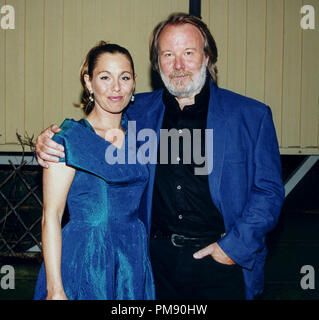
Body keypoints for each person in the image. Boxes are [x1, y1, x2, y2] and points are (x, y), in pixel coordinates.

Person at [35, 13, 285, 300]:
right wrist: (47, 142)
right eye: (168, 54)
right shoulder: (136, 111)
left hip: (220, 262)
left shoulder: (251, 116)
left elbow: (269, 191)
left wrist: (234, 248)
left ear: (207, 57)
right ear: (157, 63)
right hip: (152, 267)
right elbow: (91, 132)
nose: (178, 65)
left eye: (188, 53)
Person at [33, 41, 155, 300]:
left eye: (124, 77)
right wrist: (55, 290)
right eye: (104, 77)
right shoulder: (68, 140)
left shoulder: (141, 136)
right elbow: (51, 216)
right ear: (88, 83)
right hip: (85, 258)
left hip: (132, 258)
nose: (116, 87)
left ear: (134, 82)